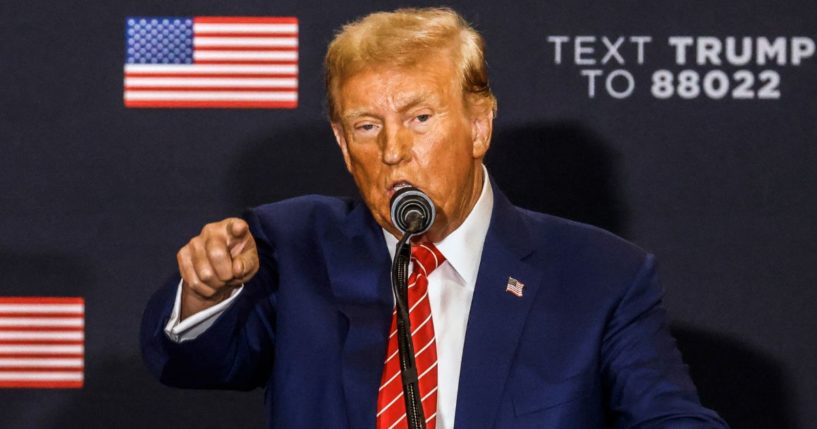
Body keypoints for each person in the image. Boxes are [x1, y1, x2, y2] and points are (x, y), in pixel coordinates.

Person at [141, 7, 728, 428]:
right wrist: (206, 291)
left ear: (479, 125)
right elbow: (192, 362)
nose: (393, 150)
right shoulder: (293, 246)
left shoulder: (601, 275)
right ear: (345, 147)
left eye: (420, 118)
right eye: (367, 126)